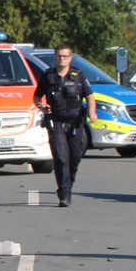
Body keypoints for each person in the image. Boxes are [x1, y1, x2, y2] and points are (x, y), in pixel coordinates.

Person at [33, 44, 97, 207]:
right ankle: (64, 193)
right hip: (56, 121)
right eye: (59, 56)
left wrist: (92, 112)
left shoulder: (79, 76)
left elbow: (90, 96)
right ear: (55, 57)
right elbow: (37, 97)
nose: (61, 59)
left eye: (64, 56)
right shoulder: (48, 76)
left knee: (74, 158)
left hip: (75, 122)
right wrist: (41, 106)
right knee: (61, 157)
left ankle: (68, 184)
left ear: (70, 58)